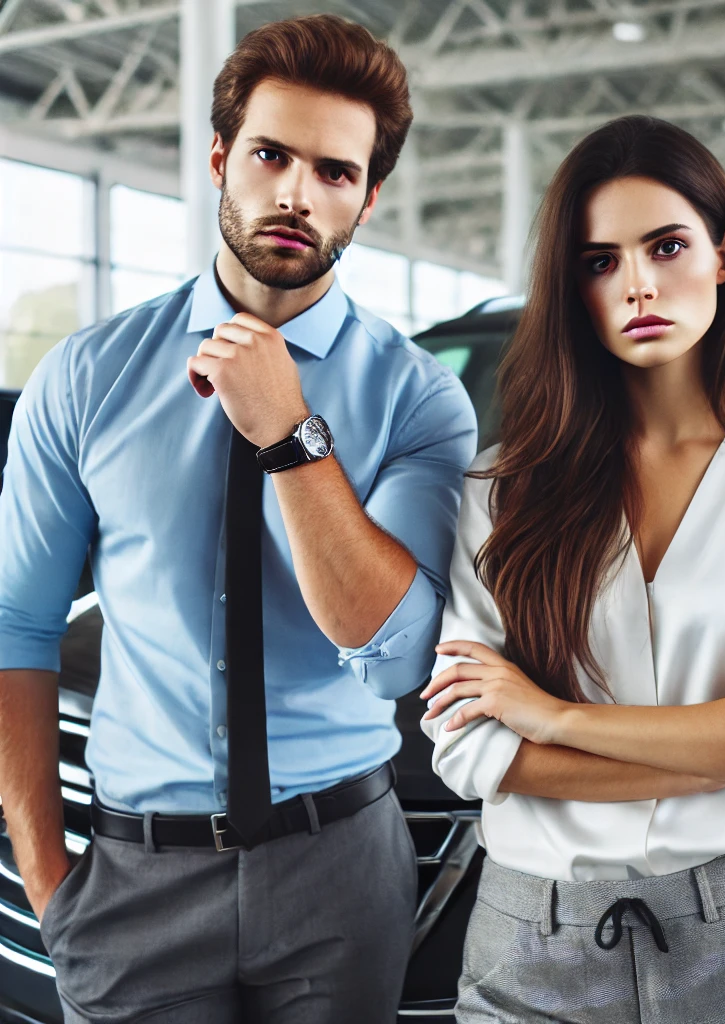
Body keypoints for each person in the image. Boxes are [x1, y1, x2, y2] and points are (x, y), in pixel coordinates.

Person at [0, 14, 476, 1024]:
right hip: (131, 879)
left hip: (341, 873)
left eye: (335, 173)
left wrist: (292, 433)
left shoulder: (420, 399)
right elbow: (17, 628)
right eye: (271, 155)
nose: (297, 194)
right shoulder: (86, 378)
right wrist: (50, 879)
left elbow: (390, 660)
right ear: (221, 160)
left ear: (368, 197)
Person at [420, 114, 725, 1023]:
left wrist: (554, 718)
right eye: (599, 261)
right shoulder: (500, 492)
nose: (637, 285)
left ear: (724, 255)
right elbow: (470, 747)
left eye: (666, 246)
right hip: (530, 950)